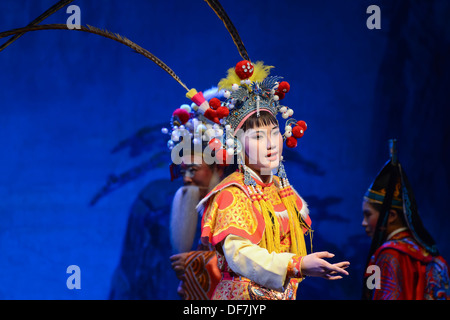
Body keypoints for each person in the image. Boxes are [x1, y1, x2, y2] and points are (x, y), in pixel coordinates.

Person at [194, 61, 350, 300]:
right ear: (236, 144)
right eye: (258, 136)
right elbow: (241, 255)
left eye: (274, 133)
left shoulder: (281, 189)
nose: (270, 144)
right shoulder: (233, 193)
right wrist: (297, 264)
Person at [109, 89, 226, 300]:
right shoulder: (157, 203)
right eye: (183, 172)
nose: (187, 179)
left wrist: (199, 263)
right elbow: (129, 274)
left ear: (217, 170)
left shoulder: (240, 206)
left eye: (194, 170)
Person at [362, 139, 450, 300]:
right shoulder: (429, 254)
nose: (364, 223)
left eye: (368, 215)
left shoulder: (388, 254)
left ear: (392, 216)